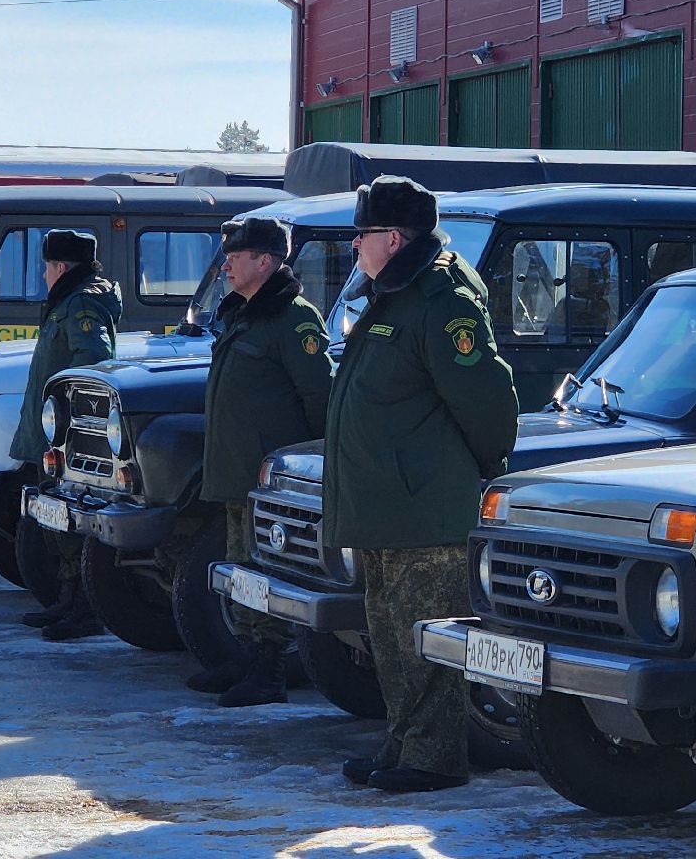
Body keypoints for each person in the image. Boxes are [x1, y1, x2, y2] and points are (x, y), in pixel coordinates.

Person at [322, 176, 517, 793]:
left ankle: (432, 758)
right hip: (386, 506)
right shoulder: (394, 293)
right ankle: (403, 743)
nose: (354, 246)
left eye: (363, 235)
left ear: (395, 237)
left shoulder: (442, 298)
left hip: (425, 507)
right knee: (390, 635)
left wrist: (481, 470)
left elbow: (485, 400)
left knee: (424, 635)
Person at [190, 216, 331, 706]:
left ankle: (269, 670)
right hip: (237, 473)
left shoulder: (294, 319)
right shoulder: (245, 313)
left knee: (265, 573)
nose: (226, 263)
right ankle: (245, 658)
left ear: (266, 262)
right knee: (239, 570)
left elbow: (320, 399)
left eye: (237, 256)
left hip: (270, 480)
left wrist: (305, 471)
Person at [10, 229, 119, 640]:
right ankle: (67, 597)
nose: (43, 276)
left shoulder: (81, 304)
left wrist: (67, 422)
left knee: (69, 519)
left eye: (46, 267)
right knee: (55, 518)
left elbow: (91, 361)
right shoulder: (67, 302)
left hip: (68, 436)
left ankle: (84, 606)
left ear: (60, 267)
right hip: (52, 433)